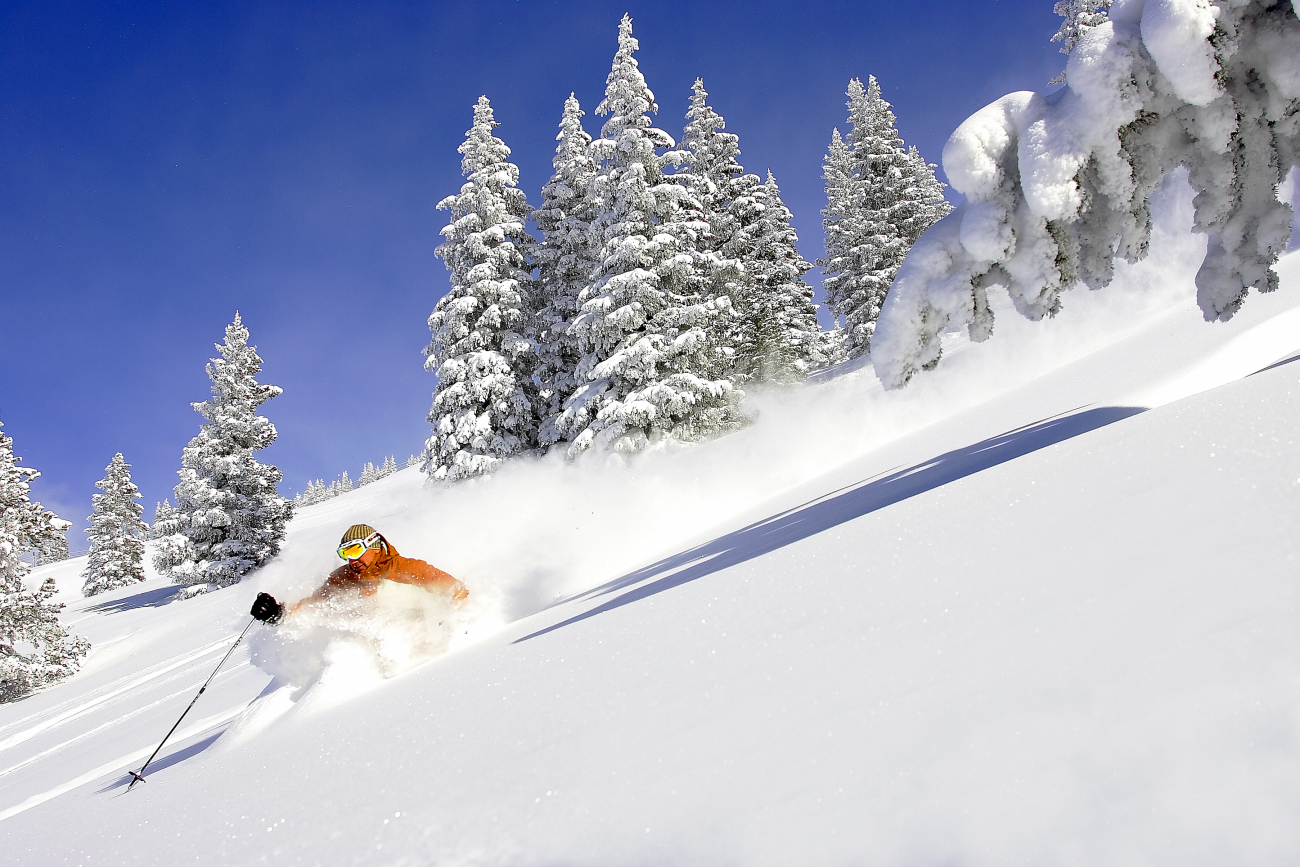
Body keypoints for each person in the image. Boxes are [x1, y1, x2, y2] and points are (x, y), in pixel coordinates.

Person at [250, 524, 466, 624]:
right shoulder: (344, 578)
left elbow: (455, 589)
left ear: (373, 546)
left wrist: (456, 618)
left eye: (355, 551)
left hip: (422, 629)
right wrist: (278, 613)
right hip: (379, 636)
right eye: (345, 553)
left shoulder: (405, 568)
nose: (352, 560)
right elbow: (315, 603)